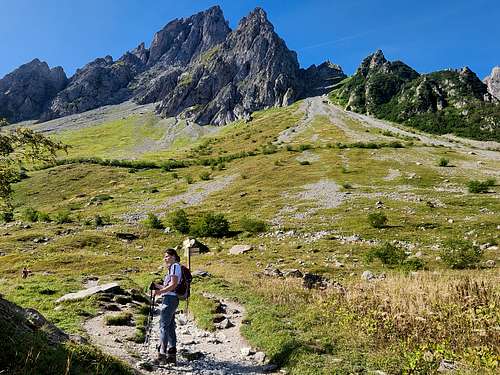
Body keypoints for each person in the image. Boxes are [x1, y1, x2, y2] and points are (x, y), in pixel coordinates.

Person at [152, 248, 182, 365]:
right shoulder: (175, 267)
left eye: (167, 256)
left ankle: (161, 355)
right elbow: (170, 285)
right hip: (172, 299)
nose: (165, 258)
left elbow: (173, 285)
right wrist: (157, 286)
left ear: (173, 256)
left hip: (169, 299)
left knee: (163, 325)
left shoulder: (174, 266)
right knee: (169, 326)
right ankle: (172, 355)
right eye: (164, 257)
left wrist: (160, 292)